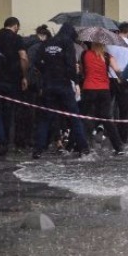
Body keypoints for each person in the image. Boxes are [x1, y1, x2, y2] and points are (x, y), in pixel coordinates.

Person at [32, 23, 90, 159]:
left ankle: (38, 149)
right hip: (63, 84)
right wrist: (75, 82)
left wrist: (45, 70)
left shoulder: (47, 42)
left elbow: (35, 61)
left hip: (48, 85)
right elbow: (70, 65)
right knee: (74, 116)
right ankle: (83, 147)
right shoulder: (67, 43)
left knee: (45, 118)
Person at [0, 16, 29, 156]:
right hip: (12, 81)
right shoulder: (17, 39)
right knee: (8, 111)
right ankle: (6, 141)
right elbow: (23, 57)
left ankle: (0, 142)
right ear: (15, 26)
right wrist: (25, 76)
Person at [80, 42, 125, 155]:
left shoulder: (84, 54)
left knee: (85, 117)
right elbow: (118, 70)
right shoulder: (107, 56)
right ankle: (118, 146)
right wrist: (122, 79)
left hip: (88, 88)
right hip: (104, 90)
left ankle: (82, 146)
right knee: (107, 119)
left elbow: (82, 70)